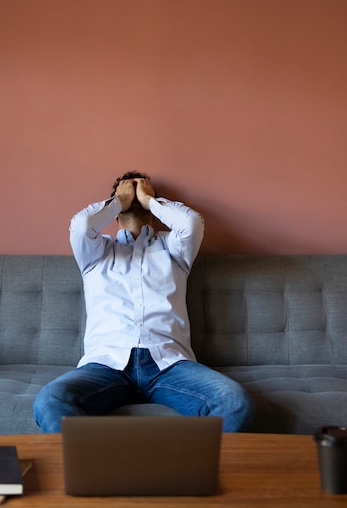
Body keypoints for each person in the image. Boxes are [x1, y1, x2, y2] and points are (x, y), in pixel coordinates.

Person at [33, 171, 255, 432]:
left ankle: (191, 473)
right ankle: (101, 472)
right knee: (50, 400)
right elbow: (82, 226)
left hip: (170, 366)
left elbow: (192, 224)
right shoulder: (95, 253)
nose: (134, 197)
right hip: (106, 365)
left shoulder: (173, 249)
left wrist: (149, 200)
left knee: (235, 402)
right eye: (128, 194)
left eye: (140, 193)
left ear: (155, 212)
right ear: (115, 212)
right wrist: (119, 200)